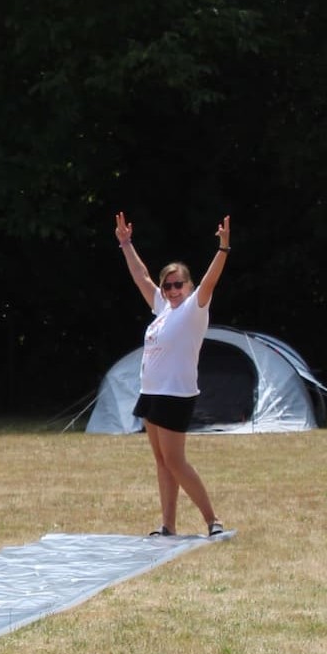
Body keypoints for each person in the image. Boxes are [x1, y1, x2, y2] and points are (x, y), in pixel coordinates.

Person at [113, 212, 231, 538]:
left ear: (188, 286)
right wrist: (125, 243)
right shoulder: (163, 309)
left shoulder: (194, 309)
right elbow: (141, 277)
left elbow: (210, 280)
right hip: (151, 393)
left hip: (175, 394)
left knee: (176, 462)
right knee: (162, 463)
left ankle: (213, 521)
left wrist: (223, 248)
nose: (173, 289)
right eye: (168, 285)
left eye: (179, 284)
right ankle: (168, 525)